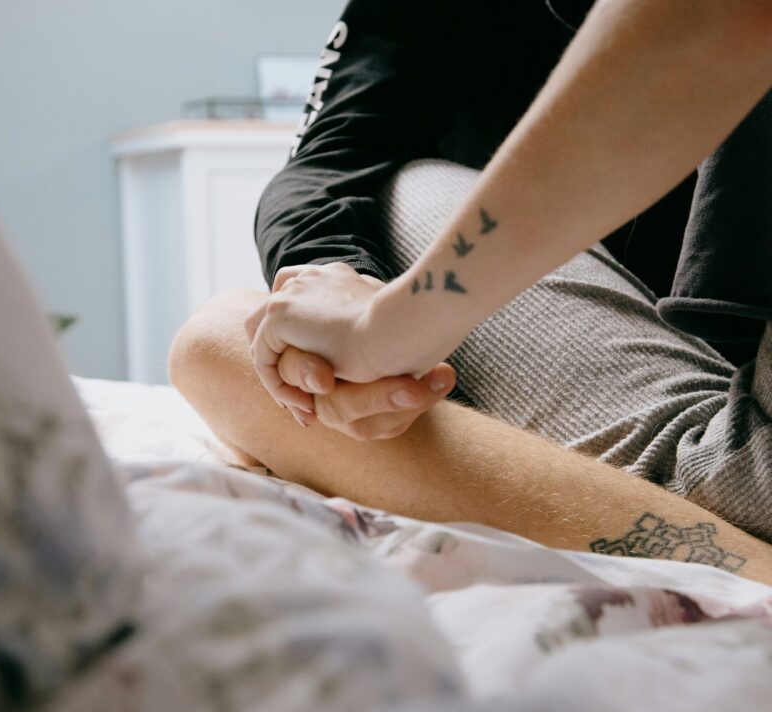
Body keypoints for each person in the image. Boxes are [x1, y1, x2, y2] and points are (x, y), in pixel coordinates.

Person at [169, 0, 772, 574]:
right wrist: (339, 277)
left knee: (219, 347)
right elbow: (332, 154)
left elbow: (715, 20)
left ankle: (740, 562)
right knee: (218, 345)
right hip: (697, 379)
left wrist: (392, 326)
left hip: (739, 460)